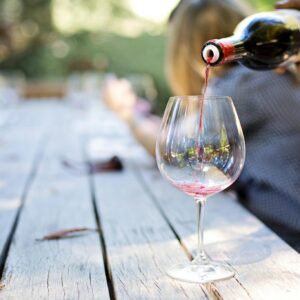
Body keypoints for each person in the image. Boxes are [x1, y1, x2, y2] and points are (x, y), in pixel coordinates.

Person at [103, 0, 300, 251]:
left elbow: (175, 150)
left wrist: (127, 112)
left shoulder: (246, 84)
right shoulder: (262, 74)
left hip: (289, 238)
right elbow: (184, 130)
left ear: (183, 50)